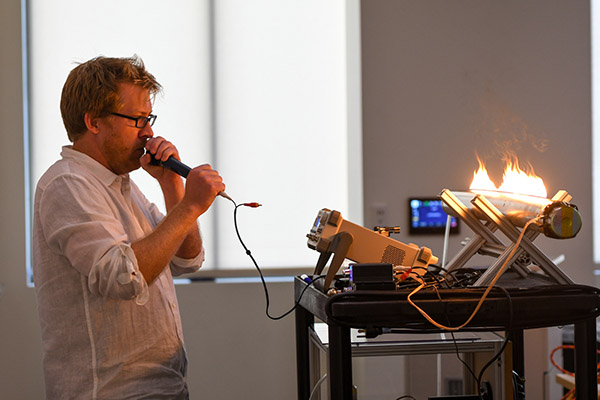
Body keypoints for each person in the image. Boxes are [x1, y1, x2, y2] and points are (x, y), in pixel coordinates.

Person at [32, 55, 225, 399]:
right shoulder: (67, 183)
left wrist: (172, 187)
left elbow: (186, 260)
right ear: (93, 121)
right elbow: (124, 276)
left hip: (160, 388)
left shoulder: (123, 186)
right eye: (137, 120)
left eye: (148, 118)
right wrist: (192, 207)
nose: (149, 132)